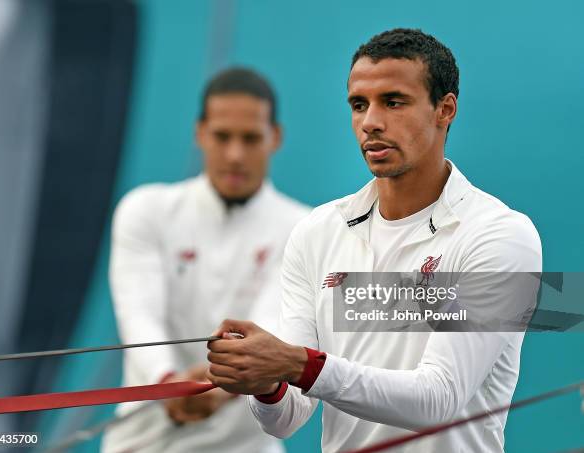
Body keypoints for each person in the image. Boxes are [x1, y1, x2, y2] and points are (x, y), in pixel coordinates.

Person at [206, 29, 542, 452]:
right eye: (359, 105)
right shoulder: (318, 231)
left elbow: (437, 399)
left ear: (445, 109)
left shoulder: (500, 235)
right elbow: (287, 417)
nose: (371, 122)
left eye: (394, 102)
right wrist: (268, 382)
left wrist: (296, 364)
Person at [101, 67, 309, 453]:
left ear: (275, 138)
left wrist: (217, 390)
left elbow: (269, 328)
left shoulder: (303, 229)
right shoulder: (144, 210)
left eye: (250, 139)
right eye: (222, 136)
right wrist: (171, 384)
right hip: (143, 443)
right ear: (199, 133)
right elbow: (139, 317)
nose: (234, 154)